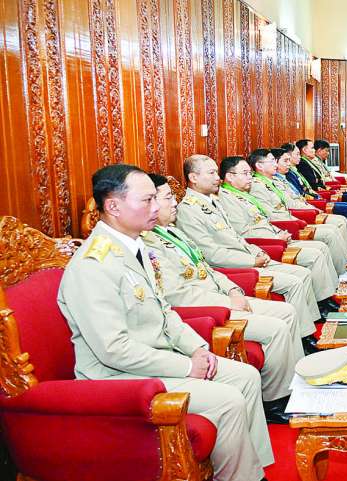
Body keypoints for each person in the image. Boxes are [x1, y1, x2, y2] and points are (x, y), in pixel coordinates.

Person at [60, 164, 273, 481]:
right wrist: (187, 367)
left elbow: (164, 310)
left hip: (158, 358)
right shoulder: (93, 265)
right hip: (118, 376)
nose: (156, 207)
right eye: (147, 200)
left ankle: (252, 470)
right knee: (228, 400)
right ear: (114, 206)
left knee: (244, 376)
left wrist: (198, 349)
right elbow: (114, 350)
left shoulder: (135, 246)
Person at [143, 173, 306, 402]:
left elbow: (207, 267)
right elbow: (178, 295)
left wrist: (233, 290)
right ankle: (278, 398)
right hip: (209, 309)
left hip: (222, 295)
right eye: (167, 197)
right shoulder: (147, 243)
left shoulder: (172, 231)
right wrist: (227, 303)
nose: (175, 202)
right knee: (278, 326)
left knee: (287, 311)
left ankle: (297, 379)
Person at [174, 154, 333, 337]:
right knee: (296, 280)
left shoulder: (212, 201)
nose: (218, 177)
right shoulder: (188, 210)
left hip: (249, 255)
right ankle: (307, 335)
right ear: (193, 177)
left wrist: (258, 251)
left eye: (217, 172)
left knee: (302, 273)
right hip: (235, 267)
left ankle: (310, 325)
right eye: (211, 173)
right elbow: (212, 254)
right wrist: (252, 260)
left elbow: (235, 236)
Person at [217, 156, 347, 280]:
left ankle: (343, 278)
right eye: (245, 173)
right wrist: (276, 238)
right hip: (266, 243)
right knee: (317, 252)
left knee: (322, 245)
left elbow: (264, 218)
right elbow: (244, 232)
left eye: (250, 173)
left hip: (276, 235)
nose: (250, 177)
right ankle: (338, 285)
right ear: (230, 176)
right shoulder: (227, 198)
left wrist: (279, 232)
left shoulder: (242, 194)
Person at [247, 149, 347, 267]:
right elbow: (272, 214)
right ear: (259, 166)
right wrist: (301, 219)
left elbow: (296, 199)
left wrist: (312, 209)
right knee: (331, 233)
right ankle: (346, 267)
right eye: (272, 161)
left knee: (338, 224)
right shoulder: (257, 186)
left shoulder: (276, 180)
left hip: (296, 216)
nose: (275, 164)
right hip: (288, 224)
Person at [276, 145, 347, 237]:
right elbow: (301, 195)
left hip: (310, 200)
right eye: (286, 160)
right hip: (304, 206)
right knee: (345, 209)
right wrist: (317, 203)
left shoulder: (292, 171)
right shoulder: (292, 171)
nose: (314, 150)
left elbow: (312, 186)